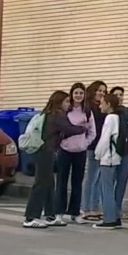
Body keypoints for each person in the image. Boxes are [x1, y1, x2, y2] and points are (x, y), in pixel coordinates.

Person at [23, 91, 89, 228]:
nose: (68, 104)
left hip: (47, 151)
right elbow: (69, 129)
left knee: (49, 183)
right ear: (59, 102)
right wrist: (83, 128)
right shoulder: (57, 114)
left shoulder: (49, 114)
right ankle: (30, 217)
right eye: (66, 101)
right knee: (41, 183)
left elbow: (59, 134)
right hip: (44, 151)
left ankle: (50, 215)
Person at [55, 82, 95, 224]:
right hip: (64, 151)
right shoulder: (66, 110)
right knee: (61, 182)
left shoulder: (87, 112)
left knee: (77, 183)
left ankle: (75, 212)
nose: (78, 96)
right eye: (76, 93)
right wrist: (62, 143)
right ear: (71, 94)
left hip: (80, 152)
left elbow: (92, 132)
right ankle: (59, 211)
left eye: (81, 93)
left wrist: (84, 144)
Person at [93, 94, 128, 229]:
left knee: (106, 189)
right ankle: (116, 216)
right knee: (116, 188)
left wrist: (97, 154)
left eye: (102, 103)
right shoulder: (122, 116)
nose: (100, 106)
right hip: (119, 156)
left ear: (109, 104)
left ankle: (109, 219)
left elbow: (105, 139)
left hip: (108, 157)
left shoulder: (110, 118)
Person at [109, 86, 128, 220]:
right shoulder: (109, 111)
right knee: (109, 180)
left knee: (122, 180)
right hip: (112, 150)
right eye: (116, 94)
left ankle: (118, 208)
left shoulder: (126, 111)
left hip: (126, 150)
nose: (119, 97)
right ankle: (108, 209)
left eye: (121, 94)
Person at [82, 80, 108, 220]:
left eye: (103, 91)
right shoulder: (89, 108)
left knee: (98, 178)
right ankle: (86, 208)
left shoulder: (101, 107)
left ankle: (94, 207)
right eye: (99, 90)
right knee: (91, 177)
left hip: (101, 145)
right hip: (92, 146)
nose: (101, 93)